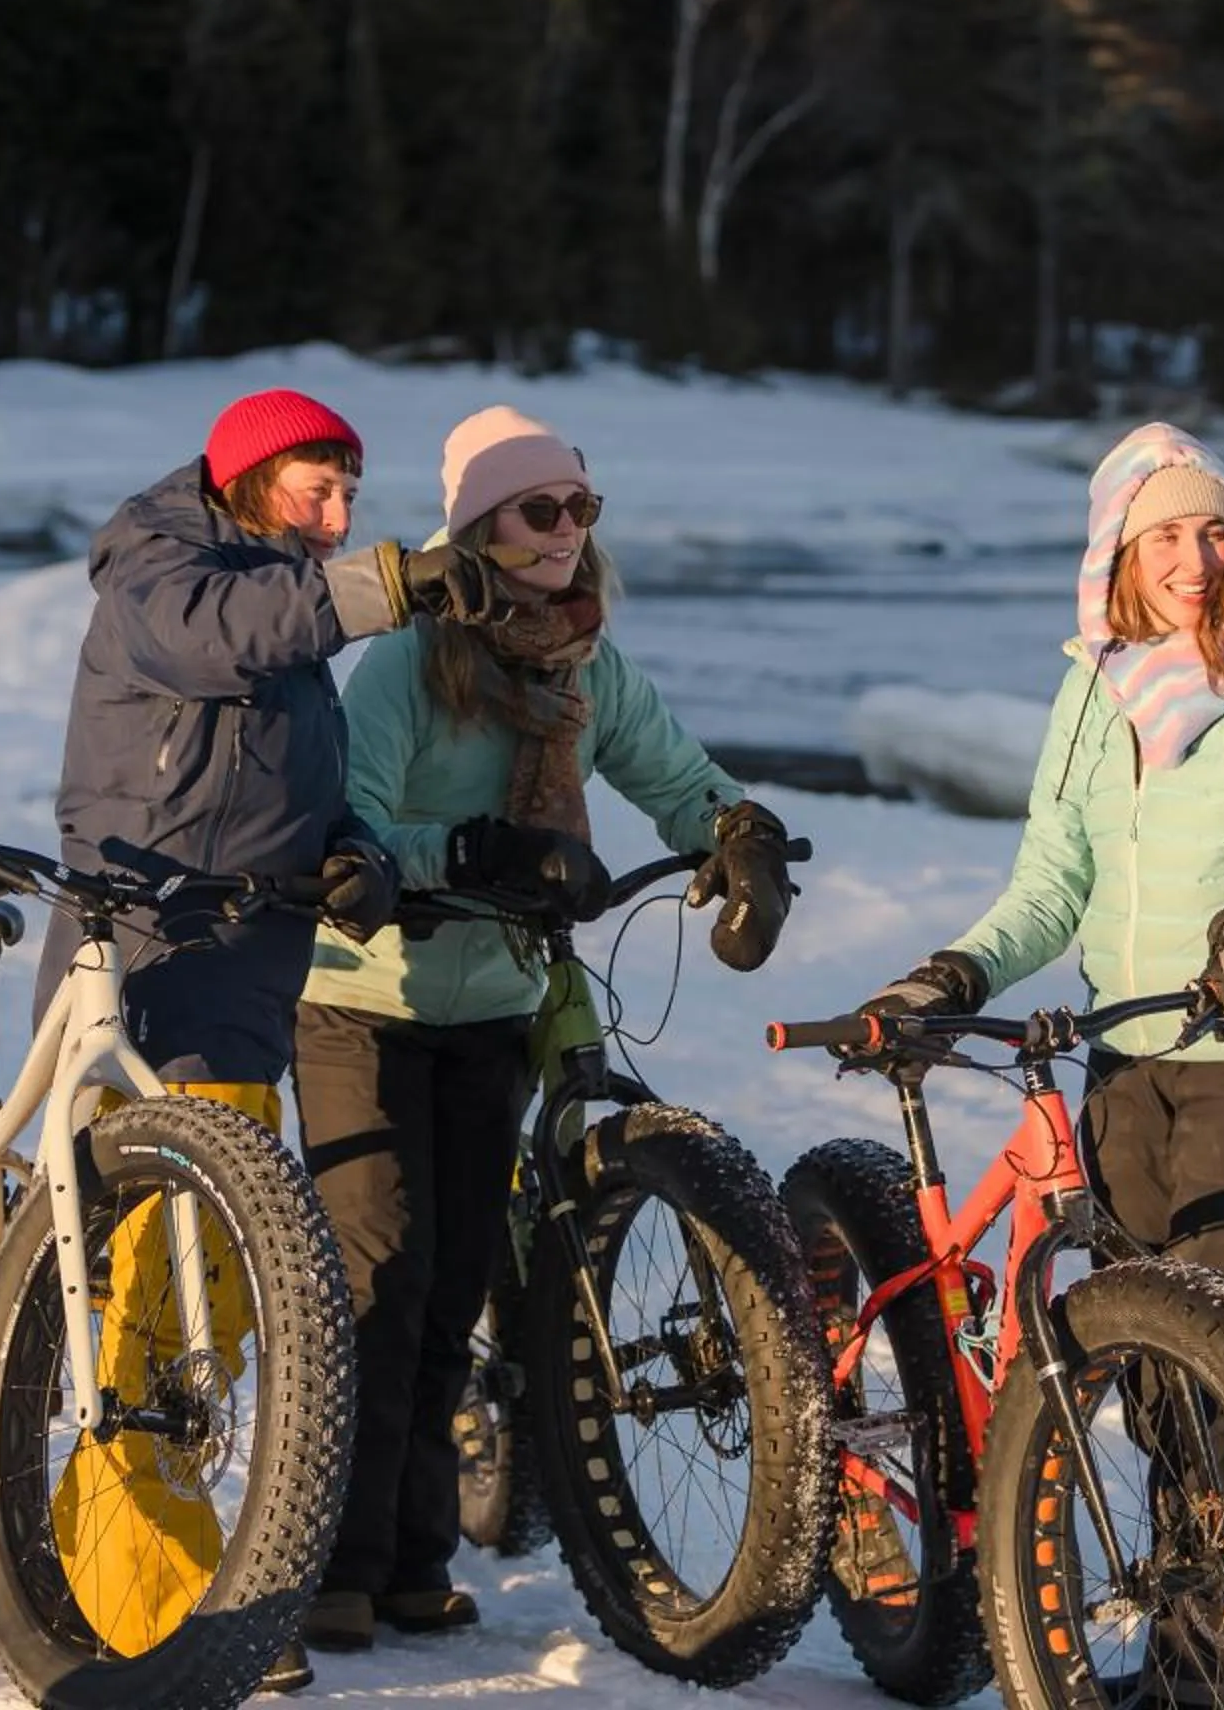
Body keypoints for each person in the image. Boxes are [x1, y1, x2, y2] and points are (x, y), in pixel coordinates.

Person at [290, 404, 795, 1657]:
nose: (566, 532)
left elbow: (674, 774)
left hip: (500, 997)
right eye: (539, 511)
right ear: (478, 531)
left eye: (581, 508)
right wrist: (464, 848)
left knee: (461, 1270)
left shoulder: (586, 662)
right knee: (383, 1270)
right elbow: (342, 820)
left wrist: (738, 834)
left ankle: (414, 1555)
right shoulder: (412, 660)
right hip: (364, 998)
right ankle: (334, 1562)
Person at [853, 421, 1224, 1708]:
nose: (1195, 555)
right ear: (1119, 547)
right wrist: (954, 972)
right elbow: (1054, 878)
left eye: (1213, 527)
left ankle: (1203, 1675)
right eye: (1167, 532)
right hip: (1124, 1053)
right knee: (1138, 1368)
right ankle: (1153, 1639)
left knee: (1220, 1368)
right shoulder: (1097, 684)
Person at [40, 385, 514, 1695]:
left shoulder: (289, 613)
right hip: (147, 954)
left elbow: (309, 778)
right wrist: (385, 582)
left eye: (353, 493)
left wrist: (356, 857)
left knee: (219, 1302)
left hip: (250, 968)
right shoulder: (163, 566)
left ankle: (189, 1553)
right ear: (248, 474)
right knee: (146, 1290)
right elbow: (213, 638)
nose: (340, 513)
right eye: (320, 487)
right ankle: (158, 1601)